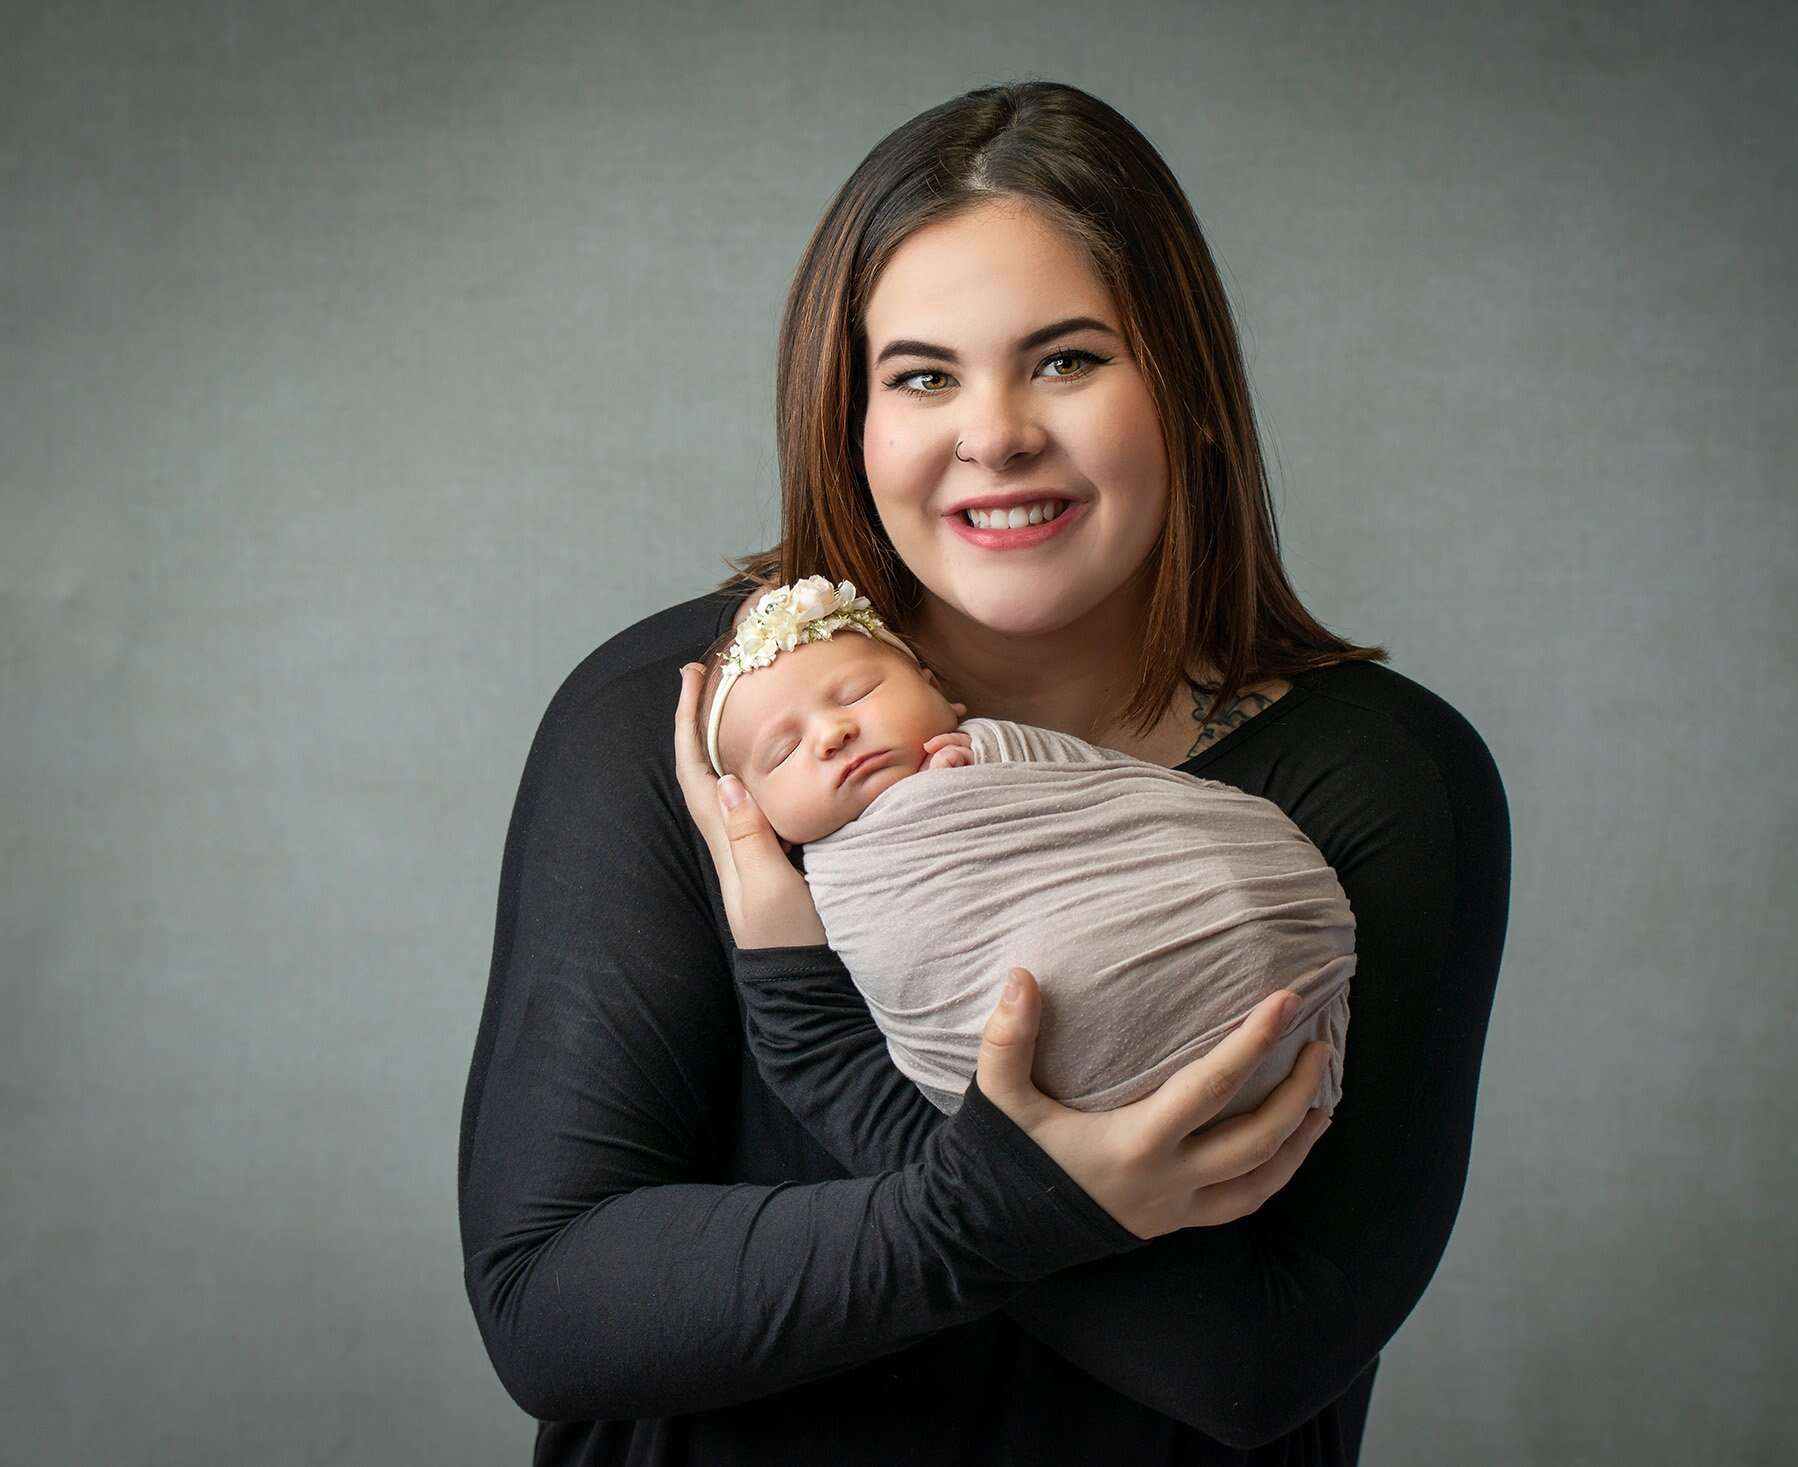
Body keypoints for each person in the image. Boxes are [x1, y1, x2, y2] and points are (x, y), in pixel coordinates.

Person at [458, 80, 1511, 1465]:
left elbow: (1254, 1356)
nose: (996, 430)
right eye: (923, 373)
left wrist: (836, 1053)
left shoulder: (1383, 776)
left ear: (1190, 389)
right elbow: (556, 1307)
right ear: (851, 415)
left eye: (1068, 359)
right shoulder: (696, 729)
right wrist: (995, 1205)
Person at [694, 573, 1354, 1125]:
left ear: (935, 688)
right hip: (1072, 1070)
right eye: (783, 751)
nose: (834, 732)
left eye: (858, 693)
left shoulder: (996, 747)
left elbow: (1101, 783)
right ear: (759, 814)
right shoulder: (821, 884)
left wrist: (992, 751)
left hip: (1241, 937)